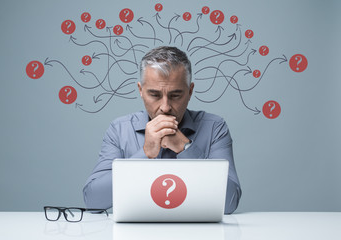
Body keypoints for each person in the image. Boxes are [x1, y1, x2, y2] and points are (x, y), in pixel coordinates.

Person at [83, 46, 242, 214]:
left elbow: (229, 203)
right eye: (155, 95)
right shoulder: (119, 129)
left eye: (175, 95)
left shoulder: (214, 127)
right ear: (141, 91)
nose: (165, 108)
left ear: (190, 91)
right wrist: (145, 154)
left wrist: (185, 148)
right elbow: (93, 201)